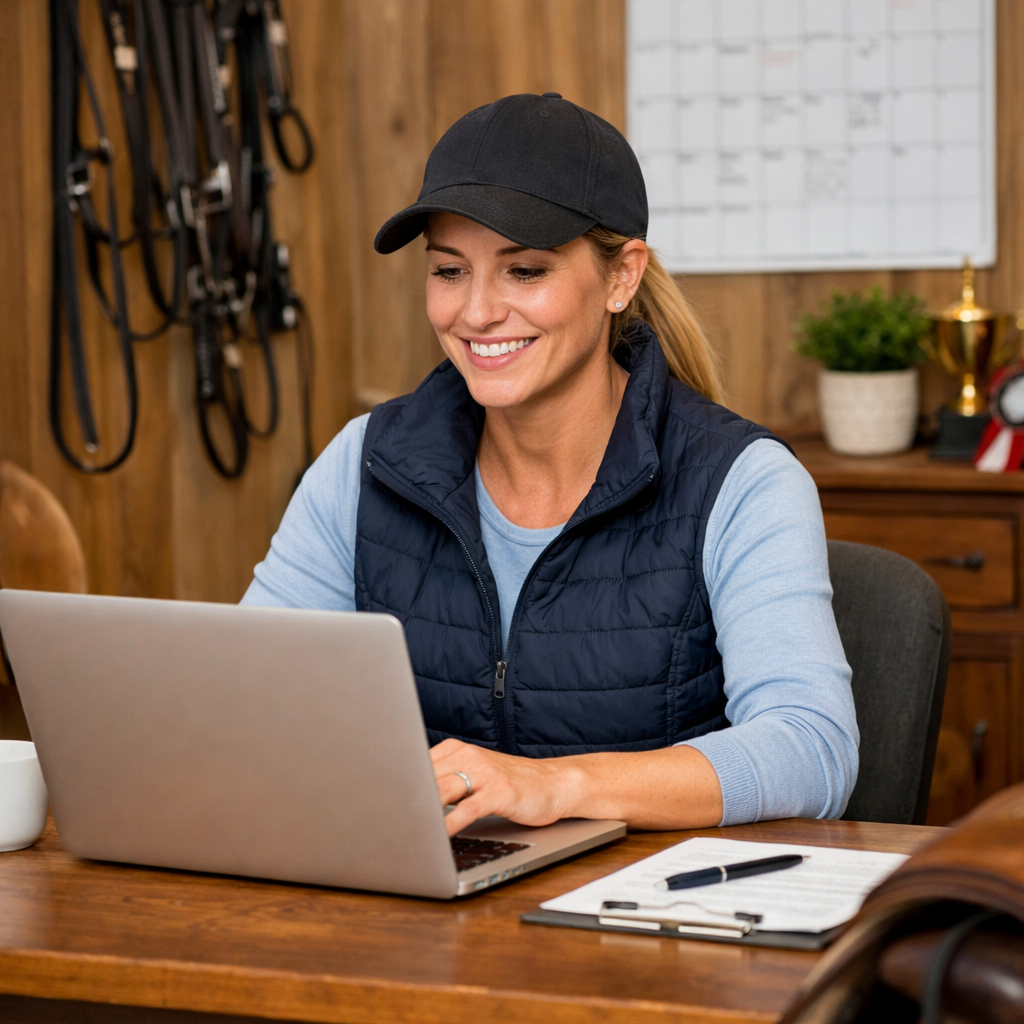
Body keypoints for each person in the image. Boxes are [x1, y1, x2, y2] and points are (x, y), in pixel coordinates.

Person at [243, 93, 858, 837]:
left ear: (622, 277)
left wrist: (556, 785)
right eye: (448, 270)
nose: (475, 312)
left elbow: (812, 750)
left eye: (524, 271)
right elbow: (249, 699)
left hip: (648, 928)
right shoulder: (363, 463)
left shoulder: (744, 481)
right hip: (420, 911)